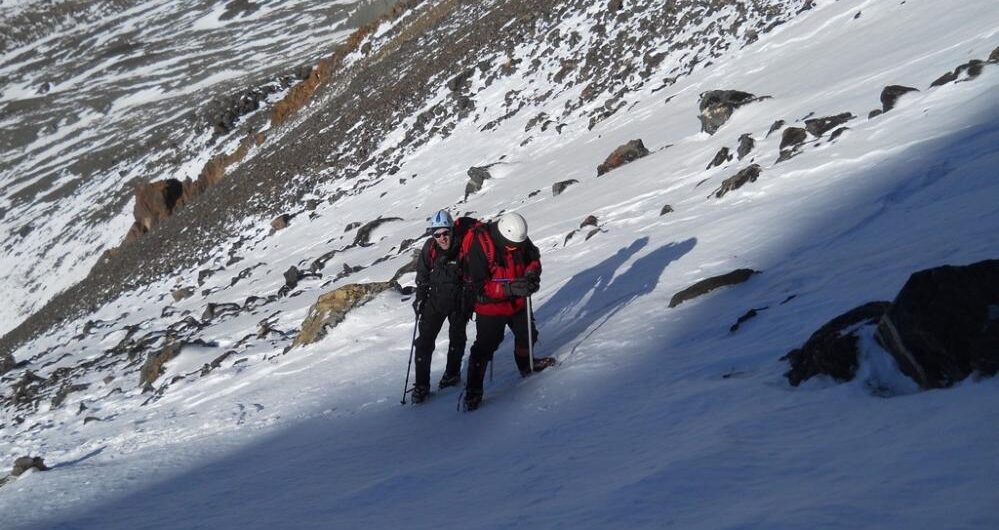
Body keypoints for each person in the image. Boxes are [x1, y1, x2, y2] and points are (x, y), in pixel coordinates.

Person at [460, 212, 555, 411]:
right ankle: (473, 391)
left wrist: (531, 276)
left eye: (517, 246)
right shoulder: (481, 246)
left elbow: (533, 258)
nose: (514, 249)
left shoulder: (519, 239)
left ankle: (526, 366)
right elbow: (478, 287)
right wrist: (508, 289)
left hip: (518, 302)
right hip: (490, 307)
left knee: (528, 335)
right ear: (502, 237)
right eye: (511, 246)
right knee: (484, 347)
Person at [410, 210, 474, 404]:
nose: (442, 238)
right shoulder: (430, 248)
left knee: (457, 338)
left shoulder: (464, 248)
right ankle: (422, 386)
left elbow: (474, 274)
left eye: (445, 233)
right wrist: (420, 299)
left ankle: (452, 374)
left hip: (458, 301)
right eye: (437, 234)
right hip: (435, 301)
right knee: (423, 343)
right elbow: (422, 275)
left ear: (452, 230)